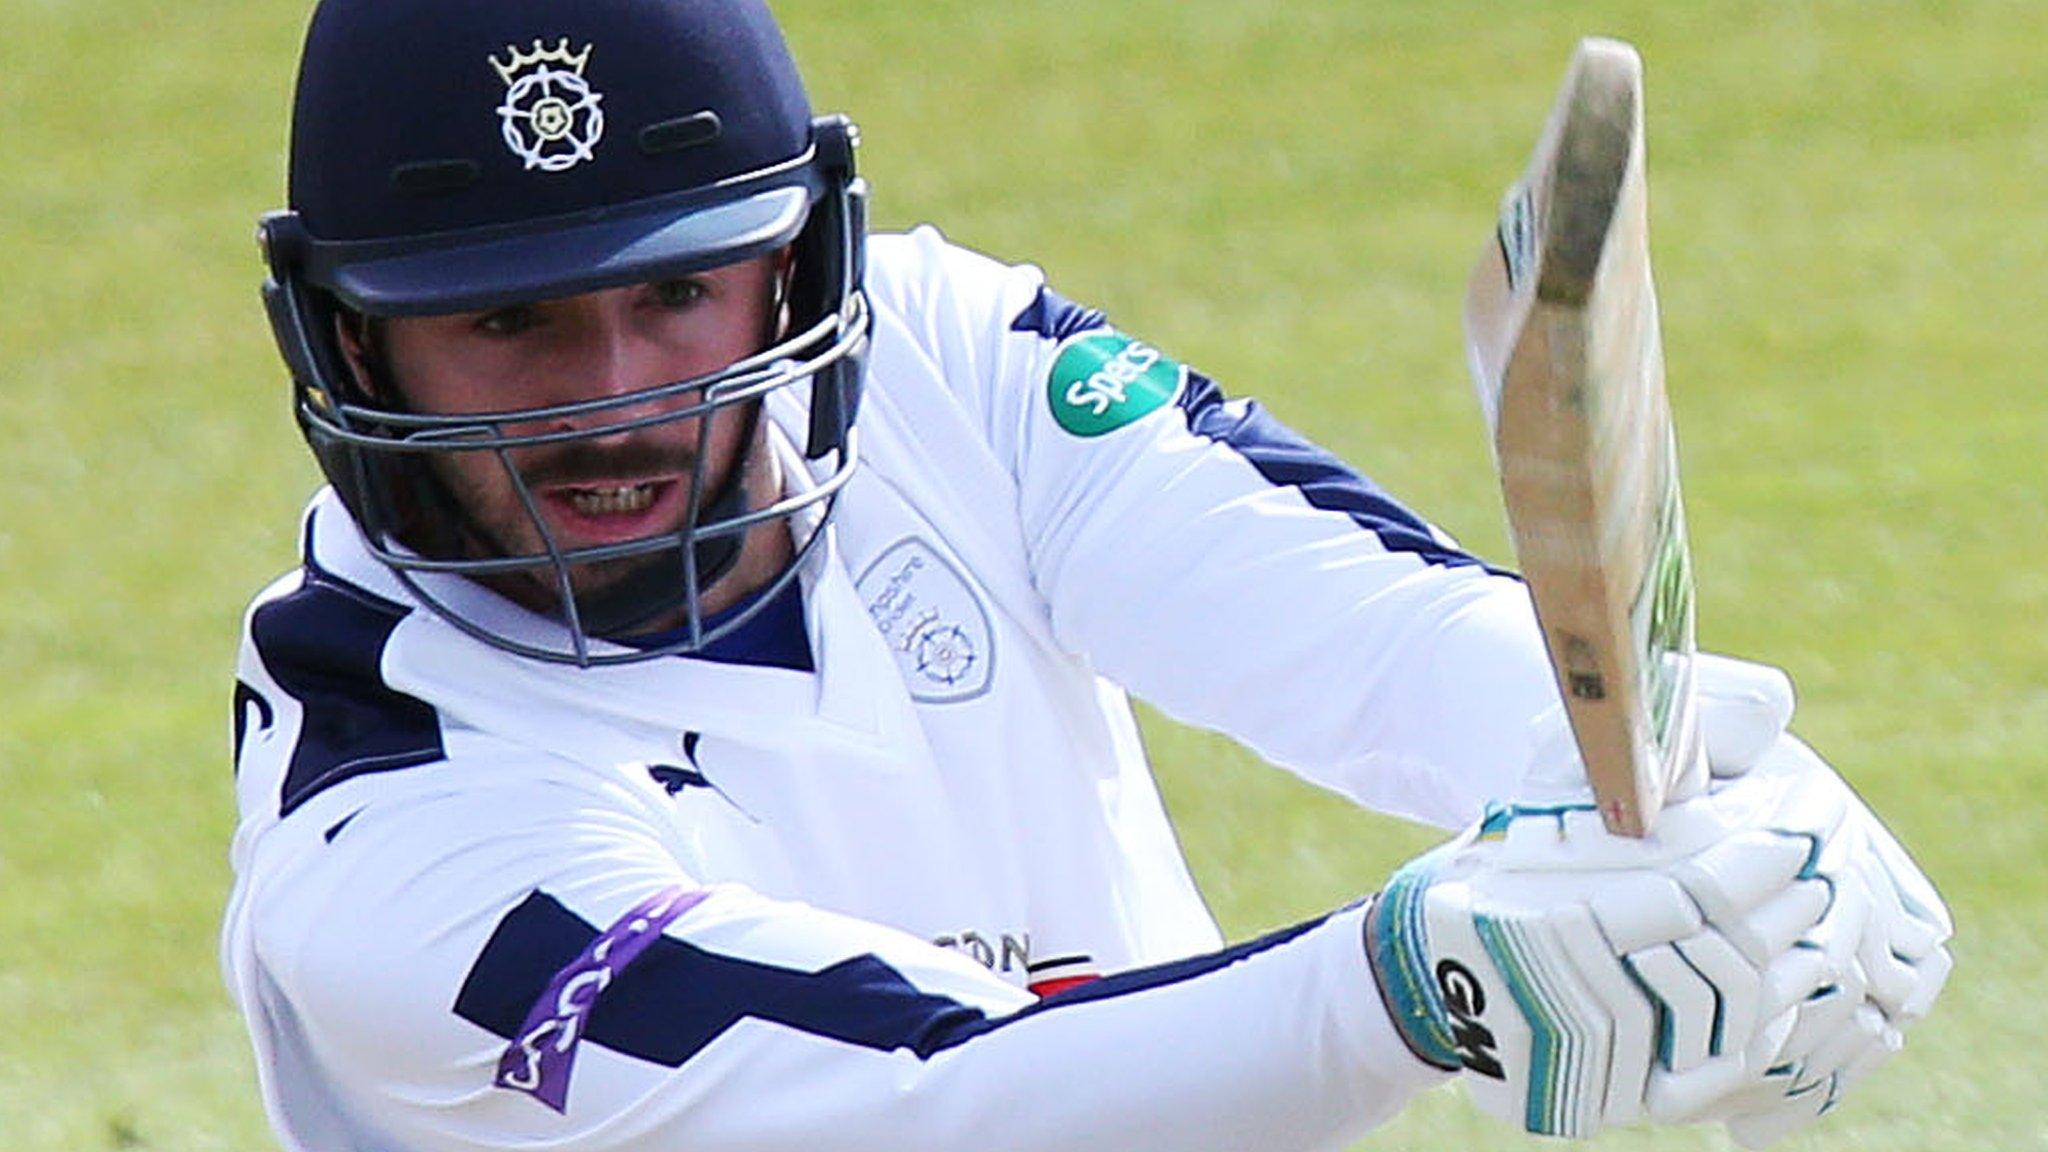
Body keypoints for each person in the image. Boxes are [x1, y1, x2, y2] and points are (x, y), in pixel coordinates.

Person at [223, 1, 1952, 1149]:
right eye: (507, 322)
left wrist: (1707, 801)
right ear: (353, 343)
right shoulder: (389, 844)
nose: (622, 398)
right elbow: (956, 1105)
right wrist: (1417, 975)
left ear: (800, 254)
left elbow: (1380, 632)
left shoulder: (951, 365)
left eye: (682, 292)